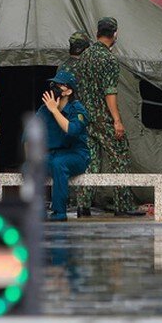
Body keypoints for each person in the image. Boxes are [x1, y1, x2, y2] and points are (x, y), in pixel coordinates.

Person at [74, 17, 136, 216]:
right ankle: (122, 206)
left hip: (84, 118)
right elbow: (110, 93)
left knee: (90, 162)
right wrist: (117, 120)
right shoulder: (109, 59)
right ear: (115, 34)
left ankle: (83, 205)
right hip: (103, 119)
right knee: (120, 157)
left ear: (97, 32)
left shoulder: (84, 56)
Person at [34, 70, 90, 221]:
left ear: (69, 91)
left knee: (59, 164)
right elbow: (30, 134)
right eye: (54, 84)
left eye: (60, 85)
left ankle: (59, 212)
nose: (55, 87)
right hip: (52, 154)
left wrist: (55, 111)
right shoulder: (45, 109)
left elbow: (72, 130)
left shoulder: (77, 109)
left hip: (76, 155)